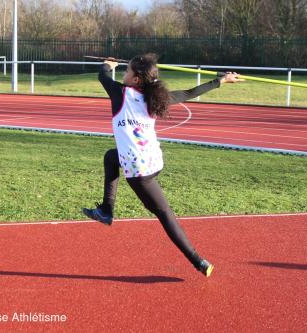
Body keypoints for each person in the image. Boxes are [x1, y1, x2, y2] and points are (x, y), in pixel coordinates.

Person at [83, 53, 241, 277]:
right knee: (111, 157)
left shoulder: (120, 93)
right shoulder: (153, 96)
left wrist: (107, 65)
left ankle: (199, 261)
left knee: (165, 214)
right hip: (153, 160)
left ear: (136, 79)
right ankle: (106, 211)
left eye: (126, 70)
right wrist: (220, 81)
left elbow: (103, 76)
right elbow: (188, 93)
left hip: (140, 171)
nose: (124, 73)